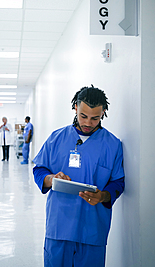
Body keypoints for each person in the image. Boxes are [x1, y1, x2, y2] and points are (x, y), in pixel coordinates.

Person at [33, 85, 125, 267]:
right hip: (59, 226)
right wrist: (51, 179)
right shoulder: (56, 138)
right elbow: (39, 169)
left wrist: (103, 196)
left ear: (103, 113)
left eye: (95, 118)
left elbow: (118, 182)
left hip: (92, 229)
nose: (88, 123)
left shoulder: (112, 145)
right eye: (83, 116)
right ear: (75, 107)